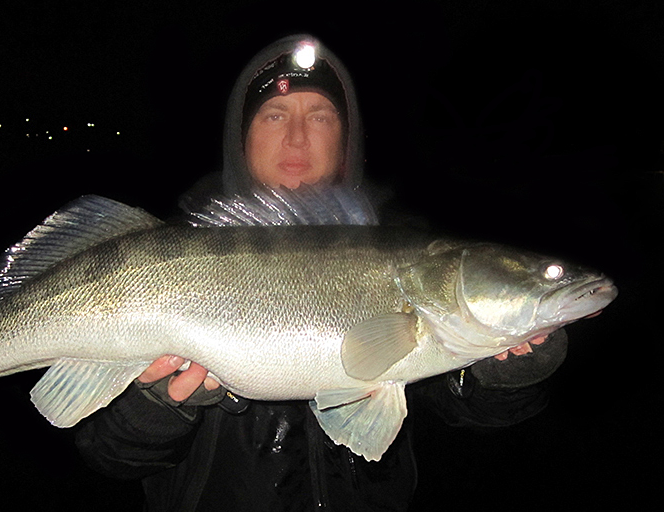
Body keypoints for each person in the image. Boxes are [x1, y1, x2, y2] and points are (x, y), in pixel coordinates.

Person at [75, 35, 564, 511]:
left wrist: (505, 378)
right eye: (274, 114)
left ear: (345, 138)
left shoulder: (405, 249)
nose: (297, 136)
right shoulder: (166, 249)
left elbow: (467, 415)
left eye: (320, 116)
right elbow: (109, 455)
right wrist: (155, 410)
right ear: (241, 136)